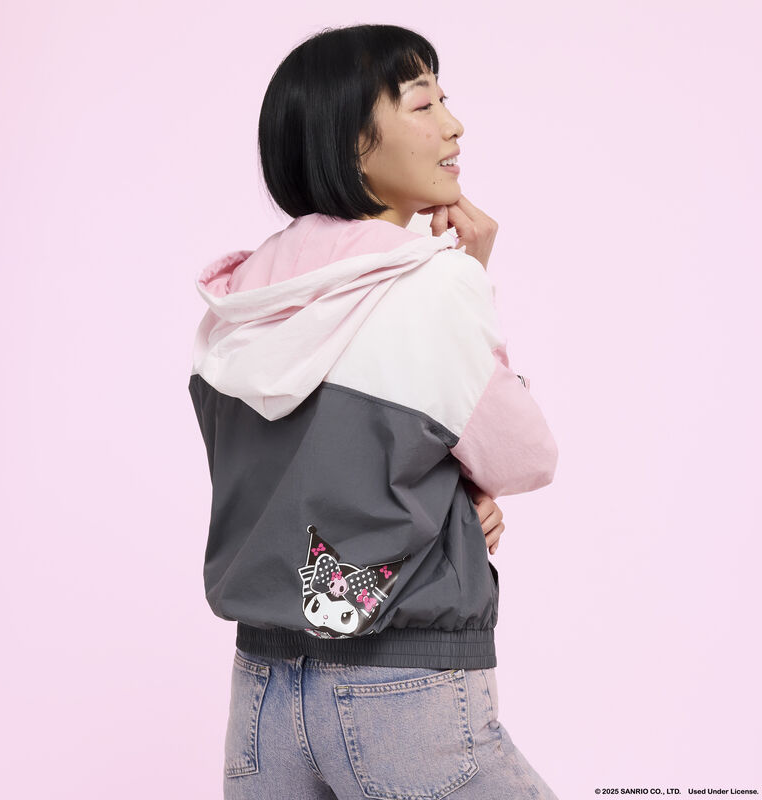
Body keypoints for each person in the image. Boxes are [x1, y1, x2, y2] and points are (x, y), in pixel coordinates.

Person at [188, 23, 560, 800]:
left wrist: (450, 493)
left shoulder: (242, 300)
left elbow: (301, 481)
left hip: (262, 695)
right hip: (404, 692)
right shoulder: (432, 286)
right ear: (353, 143)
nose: (454, 126)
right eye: (423, 105)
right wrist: (473, 283)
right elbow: (525, 458)